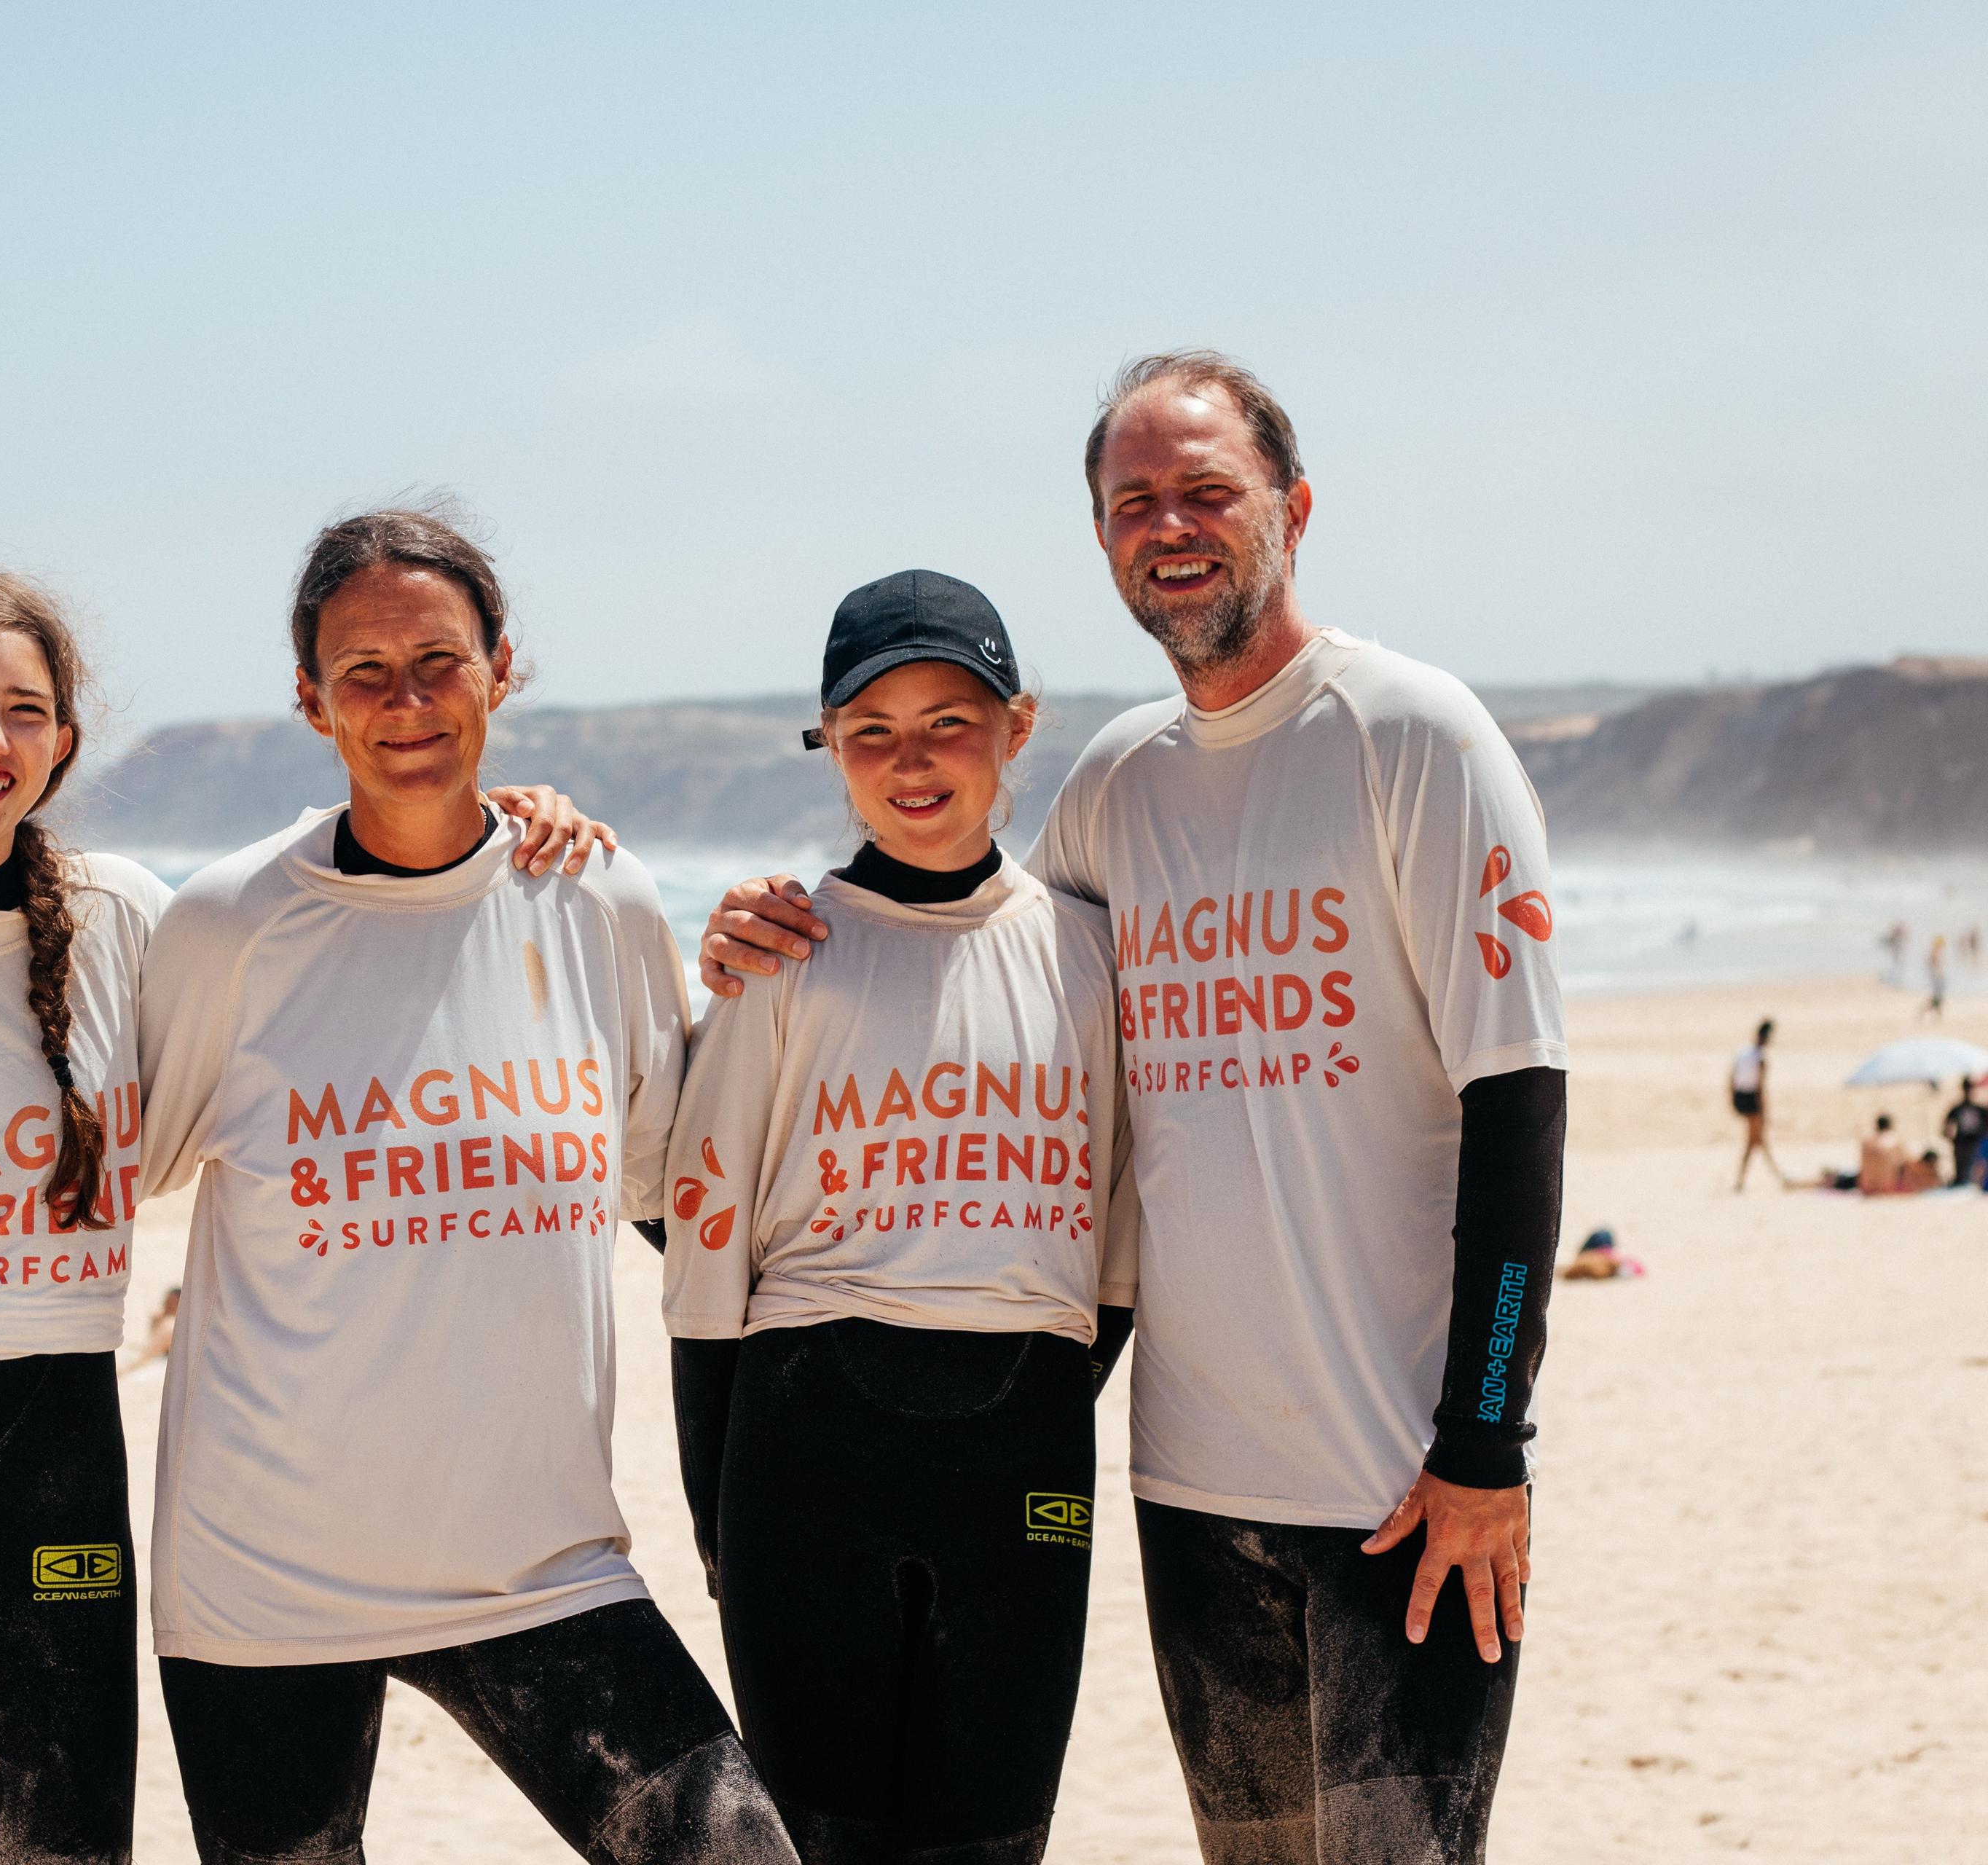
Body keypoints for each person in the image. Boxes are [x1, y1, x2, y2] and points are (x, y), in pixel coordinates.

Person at [699, 353, 1568, 1864]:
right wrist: (759, 939)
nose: (1171, 526)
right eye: (1133, 502)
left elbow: (1522, 1100)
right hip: (1186, 1483)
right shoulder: (1113, 786)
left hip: (1401, 1484)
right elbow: (973, 976)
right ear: (1102, 539)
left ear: (1293, 509)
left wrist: (1487, 1438)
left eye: (1208, 492)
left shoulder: (1413, 736)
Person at [0, 567, 611, 1864]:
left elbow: (338, 942)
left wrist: (496, 824)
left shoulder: (130, 921)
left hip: (56, 1501)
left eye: (26, 711)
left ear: (63, 742)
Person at [136, 506, 795, 1865]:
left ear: (501, 668)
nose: (406, 703)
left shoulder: (594, 899)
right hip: (268, 1586)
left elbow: (682, 1200)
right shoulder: (229, 926)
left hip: (540, 1566)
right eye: (363, 673)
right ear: (312, 701)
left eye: (439, 660)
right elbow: (94, 1180)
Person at [659, 570, 1138, 1861]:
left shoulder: (1092, 958)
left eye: (949, 722)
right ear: (831, 752)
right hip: (806, 1448)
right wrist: (716, 1496)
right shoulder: (785, 954)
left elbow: (1118, 1244)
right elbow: (704, 1249)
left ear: (1018, 727)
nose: (911, 762)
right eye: (870, 732)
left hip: (1026, 1454)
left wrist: (1037, 1408)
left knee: (994, 1841)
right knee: (824, 1844)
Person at [1732, 1019, 1787, 1192]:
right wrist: (1764, 1111)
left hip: (1741, 1098)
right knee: (1756, 1140)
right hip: (1752, 1101)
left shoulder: (1742, 1052)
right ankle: (1778, 1177)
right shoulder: (1760, 1058)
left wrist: (1732, 1101)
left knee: (1756, 1140)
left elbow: (1731, 1079)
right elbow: (1760, 1088)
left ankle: (1774, 1176)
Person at [1944, 1078, 1987, 1189]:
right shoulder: (1960, 1109)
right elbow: (1946, 1128)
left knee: (1974, 1169)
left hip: (1974, 1143)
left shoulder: (1978, 1109)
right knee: (1963, 1171)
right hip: (1964, 1144)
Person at [1922, 935, 1949, 1020]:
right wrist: (1939, 976)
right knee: (1938, 998)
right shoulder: (1935, 953)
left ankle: (1937, 1015)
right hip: (1937, 978)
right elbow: (1936, 967)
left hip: (1935, 978)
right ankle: (1936, 1015)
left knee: (1937, 998)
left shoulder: (1932, 953)